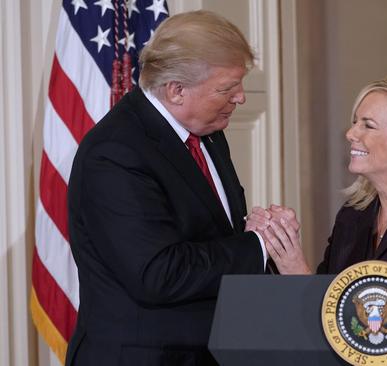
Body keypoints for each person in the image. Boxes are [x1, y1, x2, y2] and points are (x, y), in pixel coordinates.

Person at [65, 11, 279, 366]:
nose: (241, 97)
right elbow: (159, 273)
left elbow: (210, 235)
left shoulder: (207, 132)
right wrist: (259, 244)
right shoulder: (115, 154)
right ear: (176, 90)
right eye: (227, 88)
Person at [247, 77, 387, 274]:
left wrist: (296, 268)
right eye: (355, 122)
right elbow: (321, 299)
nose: (350, 134)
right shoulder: (354, 214)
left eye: (368, 125)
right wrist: (280, 245)